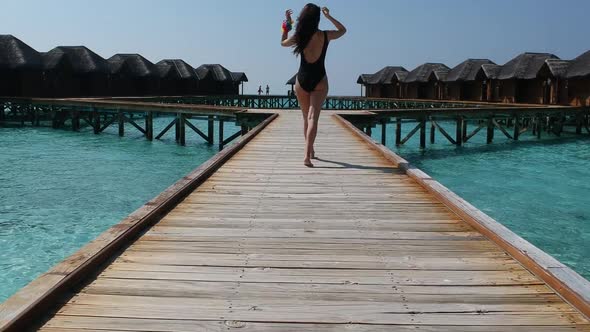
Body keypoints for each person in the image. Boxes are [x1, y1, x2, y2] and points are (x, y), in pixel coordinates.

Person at [281, 4, 346, 167]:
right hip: (320, 80)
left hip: (301, 80)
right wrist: (328, 16)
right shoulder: (324, 35)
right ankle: (307, 155)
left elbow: (283, 43)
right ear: (317, 19)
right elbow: (343, 30)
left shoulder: (299, 36)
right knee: (312, 118)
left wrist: (286, 25)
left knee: (305, 118)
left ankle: (309, 152)